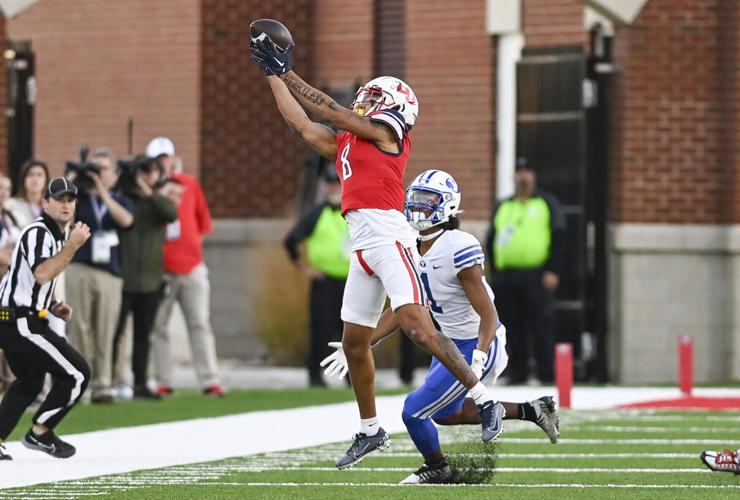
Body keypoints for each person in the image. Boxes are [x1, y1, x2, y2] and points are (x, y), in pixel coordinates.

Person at [250, 35, 503, 470]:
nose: (365, 102)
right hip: (363, 244)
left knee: (416, 327)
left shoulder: (389, 133)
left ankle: (483, 399)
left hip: (390, 237)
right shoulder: (350, 141)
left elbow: (328, 111)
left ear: (393, 106)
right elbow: (302, 124)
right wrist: (273, 76)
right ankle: (370, 430)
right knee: (354, 342)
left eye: (373, 97)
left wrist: (288, 70)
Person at [322, 170, 560, 483]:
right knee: (445, 413)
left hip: (478, 342)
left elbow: (488, 313)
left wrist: (480, 352)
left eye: (428, 200)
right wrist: (365, 342)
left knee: (413, 411)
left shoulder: (458, 246)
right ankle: (534, 409)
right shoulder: (406, 245)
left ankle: (438, 467)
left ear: (447, 205)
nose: (419, 207)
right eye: (416, 199)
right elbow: (401, 308)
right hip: (446, 341)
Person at [0, 178, 91, 460]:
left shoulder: (54, 235)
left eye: (70, 199)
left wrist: (50, 305)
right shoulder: (39, 231)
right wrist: (73, 246)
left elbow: (30, 280)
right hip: (19, 322)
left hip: (18, 318)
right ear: (45, 203)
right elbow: (42, 272)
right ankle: (40, 432)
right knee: (78, 374)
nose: (66, 204)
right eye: (59, 199)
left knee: (30, 380)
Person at [146, 137, 224, 398]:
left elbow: (202, 223)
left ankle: (210, 379)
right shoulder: (149, 192)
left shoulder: (188, 185)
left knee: (199, 323)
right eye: (157, 160)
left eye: (165, 158)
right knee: (159, 326)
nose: (162, 164)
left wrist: (191, 250)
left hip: (192, 268)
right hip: (161, 270)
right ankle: (163, 380)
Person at [485, 158, 566, 384]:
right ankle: (517, 373)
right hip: (506, 277)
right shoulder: (503, 206)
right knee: (511, 326)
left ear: (534, 176)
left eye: (527, 172)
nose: (523, 176)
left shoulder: (546, 203)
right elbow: (491, 240)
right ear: (514, 177)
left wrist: (553, 270)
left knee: (541, 324)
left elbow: (560, 237)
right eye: (519, 172)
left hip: (536, 275)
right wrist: (494, 273)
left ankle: (546, 373)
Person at [65, 148, 134, 404]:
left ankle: (104, 384)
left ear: (114, 175)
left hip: (110, 273)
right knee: (80, 326)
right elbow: (63, 218)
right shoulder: (78, 200)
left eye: (104, 169)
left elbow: (125, 220)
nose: (98, 173)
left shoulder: (120, 199)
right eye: (95, 168)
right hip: (80, 267)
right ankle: (80, 382)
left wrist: (101, 191)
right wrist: (73, 179)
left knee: (106, 328)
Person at [111, 156, 178, 400]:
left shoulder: (156, 202)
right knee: (115, 333)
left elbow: (171, 213)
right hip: (123, 277)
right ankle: (108, 381)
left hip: (150, 279)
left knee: (143, 334)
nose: (147, 175)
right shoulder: (122, 199)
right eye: (143, 171)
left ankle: (140, 383)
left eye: (149, 171)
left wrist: (148, 192)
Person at [283, 168, 350, 387]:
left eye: (336, 185)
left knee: (351, 333)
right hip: (325, 282)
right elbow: (291, 240)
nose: (333, 189)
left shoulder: (354, 213)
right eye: (329, 185)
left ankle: (352, 377)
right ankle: (315, 376)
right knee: (321, 330)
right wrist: (303, 267)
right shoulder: (317, 213)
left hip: (352, 283)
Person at [5, 160, 49, 229]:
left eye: (39, 175)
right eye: (30, 175)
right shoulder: (10, 205)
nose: (35, 179)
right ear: (23, 179)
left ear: (46, 179)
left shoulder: (51, 207)